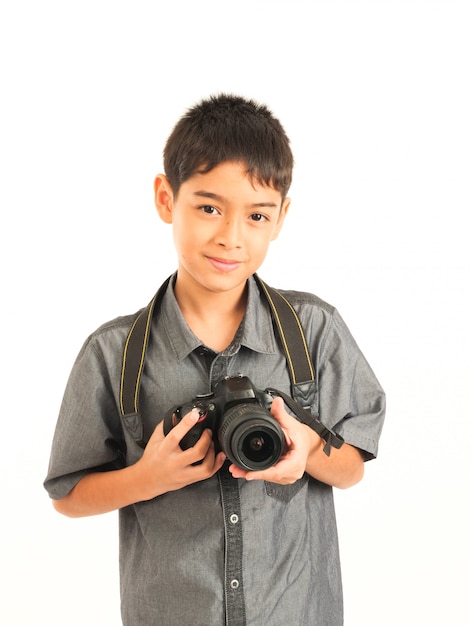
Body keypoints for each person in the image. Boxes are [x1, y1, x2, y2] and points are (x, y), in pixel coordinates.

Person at [44, 94, 385, 625]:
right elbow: (67, 494)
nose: (230, 236)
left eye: (256, 215)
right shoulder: (113, 353)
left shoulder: (313, 331)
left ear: (281, 218)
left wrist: (309, 452)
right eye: (208, 207)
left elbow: (352, 467)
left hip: (295, 611)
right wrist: (148, 477)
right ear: (165, 198)